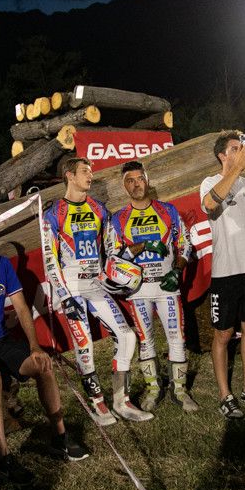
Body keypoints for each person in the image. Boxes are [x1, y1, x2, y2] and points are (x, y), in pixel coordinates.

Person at [0, 221, 88, 484]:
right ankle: (3, 458)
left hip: (0, 339)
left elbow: (21, 308)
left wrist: (34, 346)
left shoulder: (2, 265)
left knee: (43, 364)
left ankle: (59, 436)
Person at [43, 157, 151, 424]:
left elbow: (112, 249)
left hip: (96, 284)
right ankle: (97, 403)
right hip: (71, 286)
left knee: (127, 336)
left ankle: (121, 401)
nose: (90, 176)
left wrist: (123, 266)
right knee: (85, 345)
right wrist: (64, 295)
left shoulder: (99, 209)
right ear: (69, 176)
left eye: (91, 172)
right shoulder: (54, 212)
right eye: (84, 172)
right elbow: (49, 258)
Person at [111, 161, 199, 412]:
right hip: (138, 291)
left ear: (147, 180)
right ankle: (153, 389)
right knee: (145, 340)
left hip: (167, 287)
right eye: (130, 181)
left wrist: (177, 271)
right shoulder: (118, 219)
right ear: (124, 186)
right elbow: (114, 256)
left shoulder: (167, 211)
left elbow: (185, 243)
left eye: (140, 179)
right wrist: (145, 245)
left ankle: (180, 391)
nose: (136, 184)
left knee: (177, 337)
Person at [200, 131, 245, 419]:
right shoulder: (210, 182)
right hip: (226, 272)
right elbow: (210, 205)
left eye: (241, 147)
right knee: (223, 332)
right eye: (235, 148)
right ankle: (224, 394)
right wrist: (237, 168)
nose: (242, 150)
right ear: (222, 155)